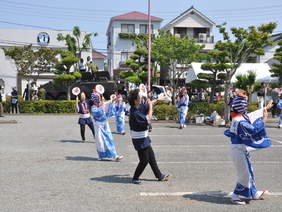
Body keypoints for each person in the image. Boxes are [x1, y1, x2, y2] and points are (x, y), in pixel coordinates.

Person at [224, 91, 273, 205]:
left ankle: (254, 193)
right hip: (238, 149)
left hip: (240, 148)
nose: (246, 106)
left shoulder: (239, 116)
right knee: (244, 173)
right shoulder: (239, 120)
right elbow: (254, 131)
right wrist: (264, 119)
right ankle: (235, 195)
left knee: (249, 171)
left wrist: (265, 108)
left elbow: (251, 115)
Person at [127, 89, 170, 184]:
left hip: (143, 137)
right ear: (135, 101)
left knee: (151, 156)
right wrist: (150, 106)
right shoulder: (135, 113)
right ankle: (135, 177)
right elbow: (149, 120)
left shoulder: (137, 107)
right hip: (139, 139)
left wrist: (159, 100)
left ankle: (159, 175)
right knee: (144, 160)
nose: (141, 98)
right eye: (139, 97)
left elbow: (149, 103)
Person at [91, 89, 123, 161]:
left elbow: (109, 103)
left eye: (99, 96)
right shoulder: (93, 107)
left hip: (105, 124)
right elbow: (99, 112)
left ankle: (115, 155)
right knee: (99, 141)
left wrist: (115, 99)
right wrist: (102, 103)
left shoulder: (102, 103)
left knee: (109, 139)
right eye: (97, 96)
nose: (98, 97)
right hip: (98, 125)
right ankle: (101, 155)